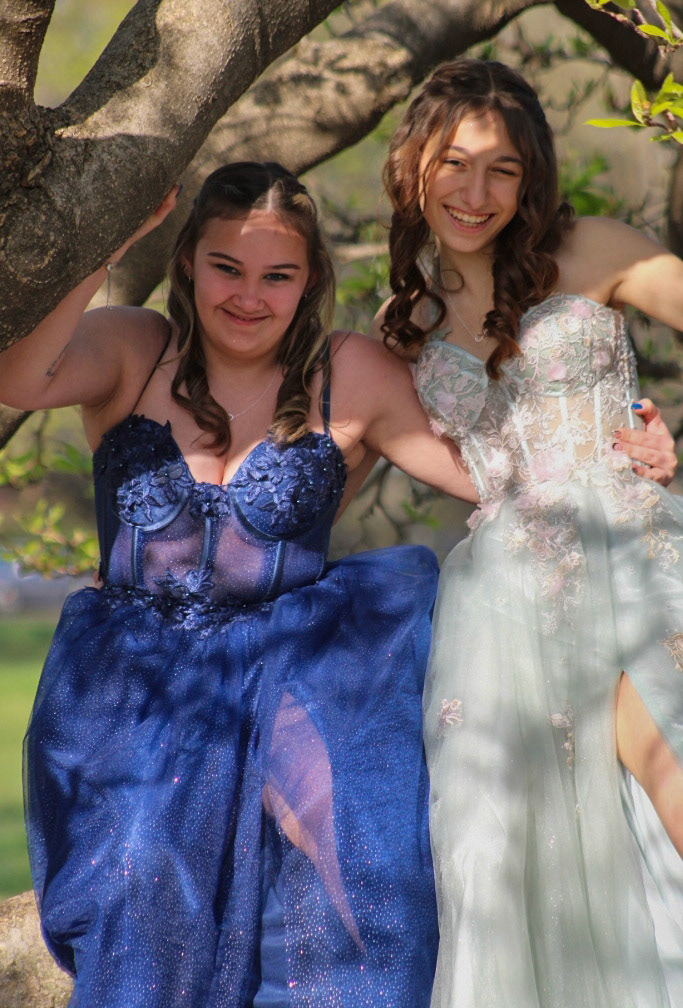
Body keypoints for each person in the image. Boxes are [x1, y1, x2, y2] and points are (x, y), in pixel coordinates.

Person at [0, 162, 673, 1008]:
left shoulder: (346, 372)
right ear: (187, 262)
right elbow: (19, 378)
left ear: (311, 278)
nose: (250, 297)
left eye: (277, 275)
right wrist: (109, 240)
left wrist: (627, 445)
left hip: (293, 666)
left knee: (360, 871)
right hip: (134, 687)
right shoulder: (136, 347)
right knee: (141, 878)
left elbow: (498, 474)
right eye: (226, 268)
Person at [377, 58, 683, 1008]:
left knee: (668, 770)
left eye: (501, 169)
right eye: (454, 163)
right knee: (506, 864)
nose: (476, 193)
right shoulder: (403, 321)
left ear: (530, 177)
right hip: (509, 608)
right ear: (413, 167)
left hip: (630, 553)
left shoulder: (593, 247)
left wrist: (672, 435)